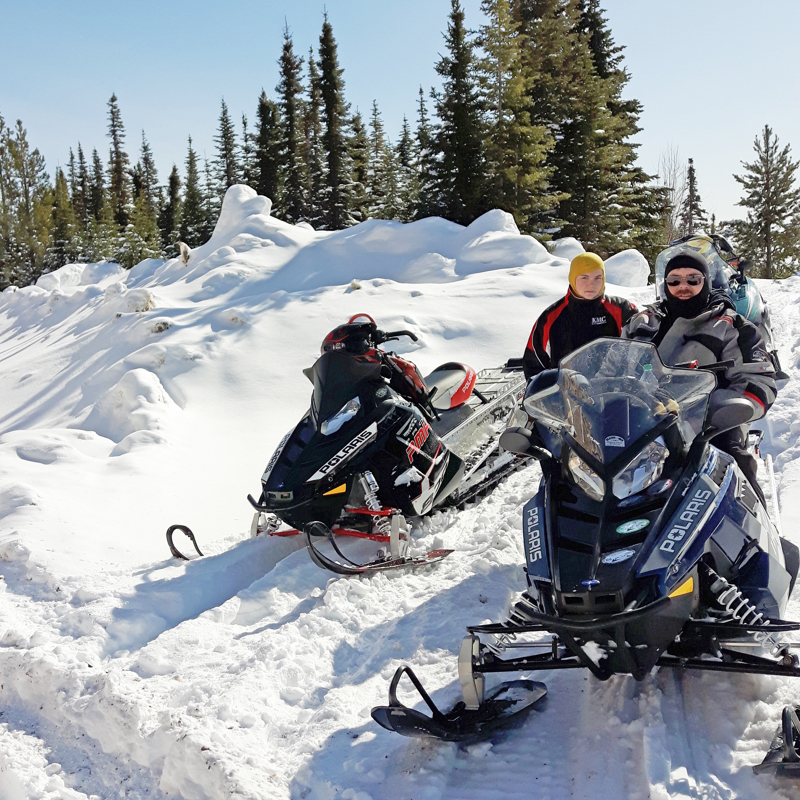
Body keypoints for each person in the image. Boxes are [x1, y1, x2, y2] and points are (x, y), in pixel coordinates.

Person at [623, 251, 777, 503]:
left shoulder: (732, 326)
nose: (683, 286)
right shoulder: (642, 323)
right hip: (641, 422)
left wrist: (719, 410)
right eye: (675, 280)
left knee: (733, 463)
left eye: (692, 279)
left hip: (709, 426)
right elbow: (611, 368)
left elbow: (759, 380)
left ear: (705, 281)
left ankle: (757, 530)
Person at [522, 253, 637, 380]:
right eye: (584, 278)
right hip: (568, 393)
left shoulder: (622, 309)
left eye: (597, 278)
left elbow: (642, 348)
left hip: (614, 391)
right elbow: (534, 363)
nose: (591, 284)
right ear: (572, 278)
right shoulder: (551, 317)